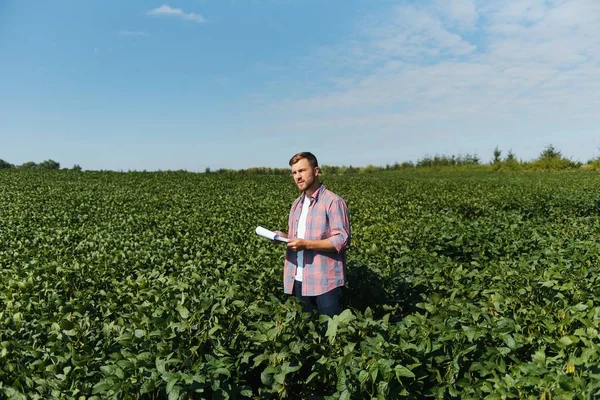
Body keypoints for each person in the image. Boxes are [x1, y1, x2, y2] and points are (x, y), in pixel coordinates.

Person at [275, 152, 351, 317]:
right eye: (294, 173)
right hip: (300, 281)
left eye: (302, 171)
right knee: (308, 337)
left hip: (326, 284)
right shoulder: (297, 204)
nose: (298, 177)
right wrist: (283, 236)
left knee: (332, 336)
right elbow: (300, 235)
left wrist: (306, 244)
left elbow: (341, 240)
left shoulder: (332, 202)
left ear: (316, 171)